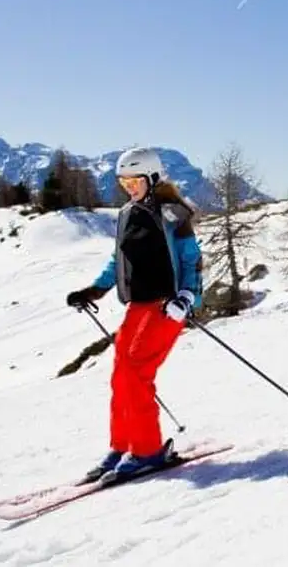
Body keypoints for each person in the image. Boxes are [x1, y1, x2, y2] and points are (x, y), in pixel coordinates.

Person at [65, 146, 203, 480]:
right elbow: (119, 260)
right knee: (120, 374)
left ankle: (148, 451)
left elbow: (191, 259)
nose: (129, 186)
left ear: (152, 178)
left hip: (166, 306)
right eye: (124, 181)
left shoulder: (172, 213)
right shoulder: (128, 213)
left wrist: (187, 296)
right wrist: (95, 290)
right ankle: (124, 444)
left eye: (135, 180)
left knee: (137, 371)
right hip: (138, 305)